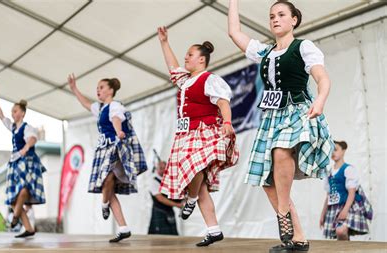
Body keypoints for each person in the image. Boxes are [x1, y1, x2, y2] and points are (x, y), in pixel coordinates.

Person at [228, 0, 335, 251]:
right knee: (268, 180)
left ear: (294, 20)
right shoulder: (265, 52)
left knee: (280, 150)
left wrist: (320, 100)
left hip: (298, 110)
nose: (275, 19)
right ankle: (298, 238)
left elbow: (322, 77)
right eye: (271, 16)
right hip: (272, 117)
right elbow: (234, 32)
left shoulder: (303, 47)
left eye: (281, 14)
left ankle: (283, 212)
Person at [157, 26, 239, 246]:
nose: (186, 58)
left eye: (190, 55)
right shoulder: (186, 81)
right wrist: (164, 42)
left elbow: (223, 102)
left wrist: (228, 122)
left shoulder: (209, 79)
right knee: (200, 184)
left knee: (195, 168)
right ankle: (213, 230)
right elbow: (173, 67)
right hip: (185, 135)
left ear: (201, 60)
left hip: (204, 132)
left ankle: (190, 199)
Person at [68, 74, 148, 243]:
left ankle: (104, 205)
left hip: (115, 148)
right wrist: (75, 89)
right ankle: (123, 227)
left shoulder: (115, 106)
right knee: (107, 186)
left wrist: (118, 131)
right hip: (104, 150)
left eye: (101, 87)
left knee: (107, 179)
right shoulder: (100, 108)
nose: (98, 90)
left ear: (111, 90)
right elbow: (86, 104)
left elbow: (116, 118)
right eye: (97, 88)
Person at [0, 83, 46, 238]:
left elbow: (33, 138)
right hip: (16, 163)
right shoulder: (14, 127)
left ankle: (15, 218)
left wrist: (26, 147)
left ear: (22, 113)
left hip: (27, 162)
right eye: (12, 112)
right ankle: (28, 228)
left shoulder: (28, 127)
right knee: (14, 199)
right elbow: (0, 115)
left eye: (15, 111)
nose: (12, 114)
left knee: (23, 190)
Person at [320, 141, 373, 240]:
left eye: (335, 150)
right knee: (338, 234)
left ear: (343, 151)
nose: (333, 153)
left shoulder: (348, 169)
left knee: (341, 231)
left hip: (348, 206)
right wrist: (323, 214)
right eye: (331, 150)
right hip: (334, 208)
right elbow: (328, 195)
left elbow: (351, 192)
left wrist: (345, 210)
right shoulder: (329, 172)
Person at [148, 161, 183, 235]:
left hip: (169, 211)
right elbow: (160, 198)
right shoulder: (154, 181)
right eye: (161, 168)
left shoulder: (169, 180)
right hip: (159, 212)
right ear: (157, 169)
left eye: (165, 168)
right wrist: (178, 205)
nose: (163, 170)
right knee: (159, 236)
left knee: (173, 235)